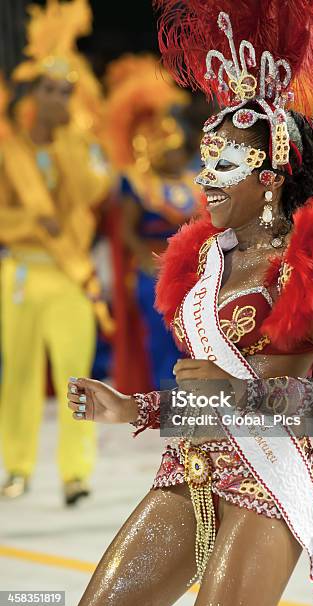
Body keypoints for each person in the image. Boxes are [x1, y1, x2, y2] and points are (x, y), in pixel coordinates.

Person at [67, 2, 313, 606]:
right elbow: (209, 387)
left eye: (226, 163)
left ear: (271, 176)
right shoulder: (206, 264)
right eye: (206, 160)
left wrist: (240, 394)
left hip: (270, 483)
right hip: (189, 467)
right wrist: (134, 408)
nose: (206, 178)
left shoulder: (307, 265)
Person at [0, 0, 112, 505]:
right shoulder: (9, 151)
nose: (56, 98)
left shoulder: (80, 146)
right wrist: (30, 222)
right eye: (49, 89)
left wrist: (70, 138)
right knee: (20, 373)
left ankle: (76, 473)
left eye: (66, 91)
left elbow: (93, 193)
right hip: (22, 272)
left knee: (76, 375)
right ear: (32, 92)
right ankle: (18, 467)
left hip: (71, 276)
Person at [104, 55, 202, 391]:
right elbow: (125, 230)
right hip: (152, 268)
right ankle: (162, 397)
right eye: (167, 150)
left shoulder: (195, 181)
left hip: (190, 269)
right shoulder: (139, 183)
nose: (174, 155)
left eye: (177, 149)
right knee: (161, 336)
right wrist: (145, 259)